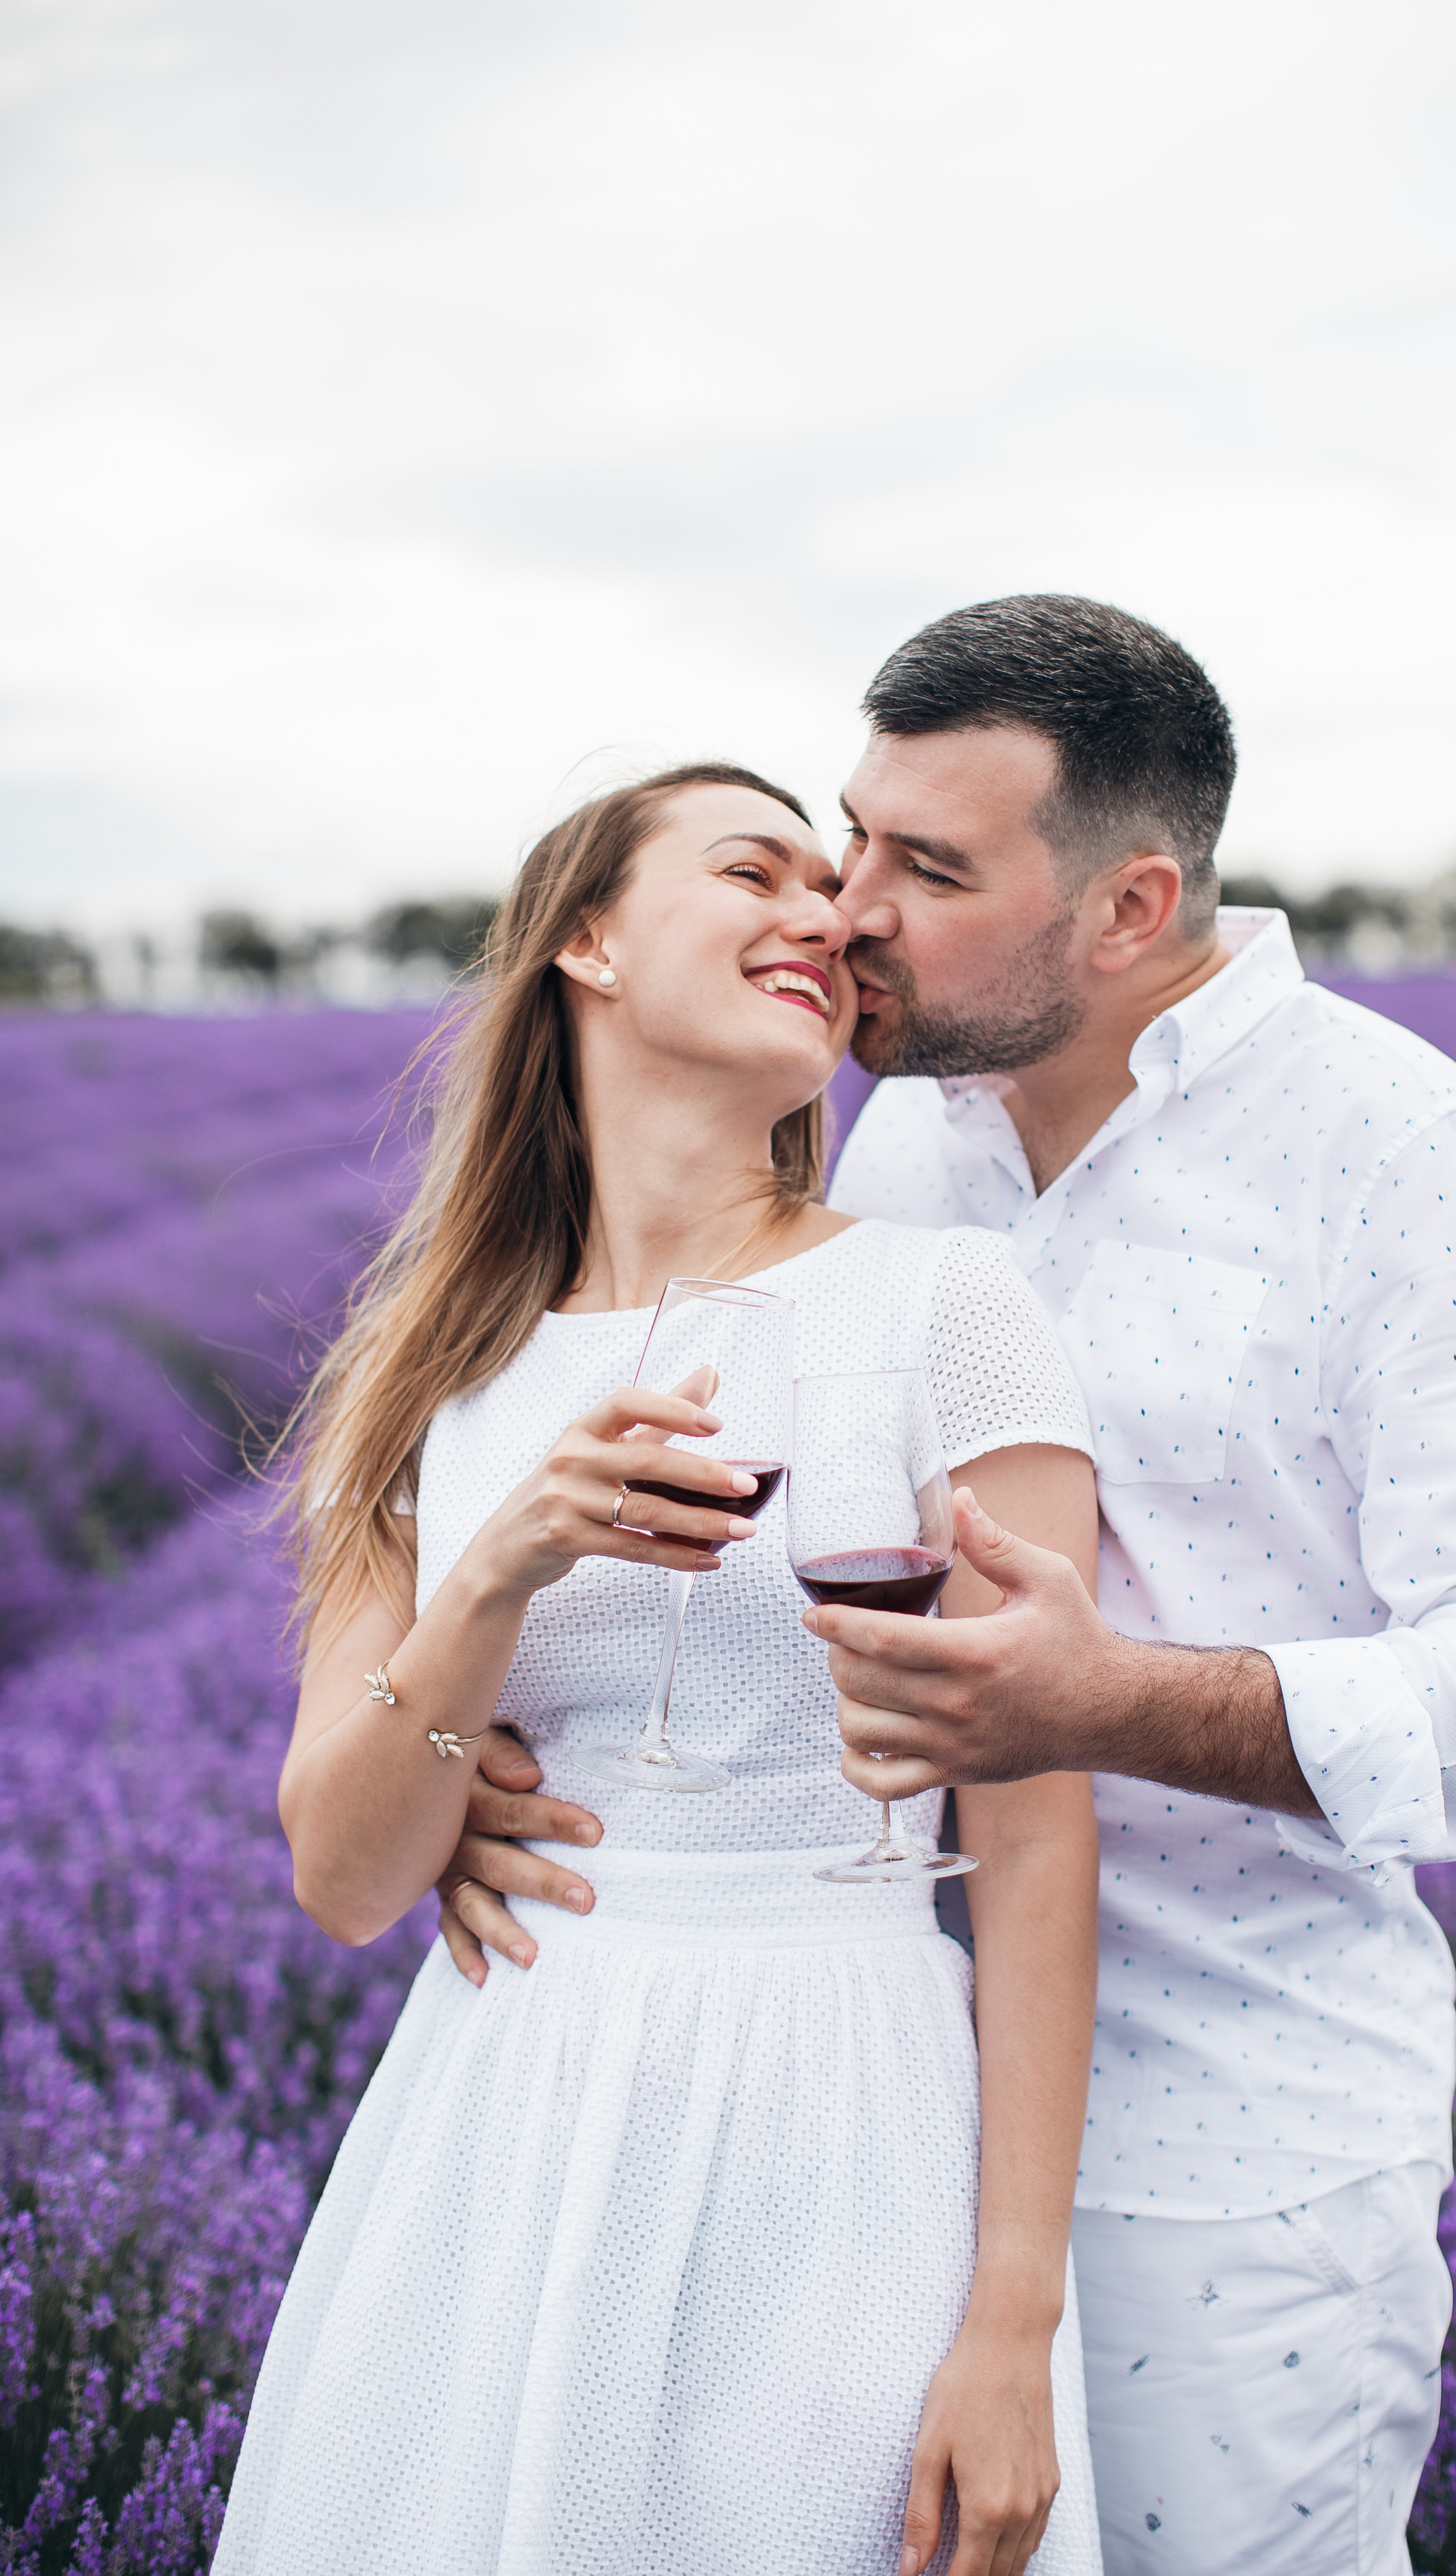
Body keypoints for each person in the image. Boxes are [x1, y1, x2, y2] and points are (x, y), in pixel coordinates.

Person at [807, 596, 1456, 2574]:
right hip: (885, 2124)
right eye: (853, 837)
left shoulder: (1412, 1157)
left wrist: (1109, 1700)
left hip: (1226, 2165)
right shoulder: (900, 1142)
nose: (847, 908)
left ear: (1130, 906)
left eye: (928, 868)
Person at [215, 763, 1104, 2576]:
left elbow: (1035, 1836)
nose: (826, 916)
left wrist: (1014, 2321)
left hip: (847, 2110)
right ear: (590, 945)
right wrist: (504, 1566)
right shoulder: (424, 1388)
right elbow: (348, 1876)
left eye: (833, 891)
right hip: (514, 2114)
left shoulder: (948, 1311)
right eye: (754, 870)